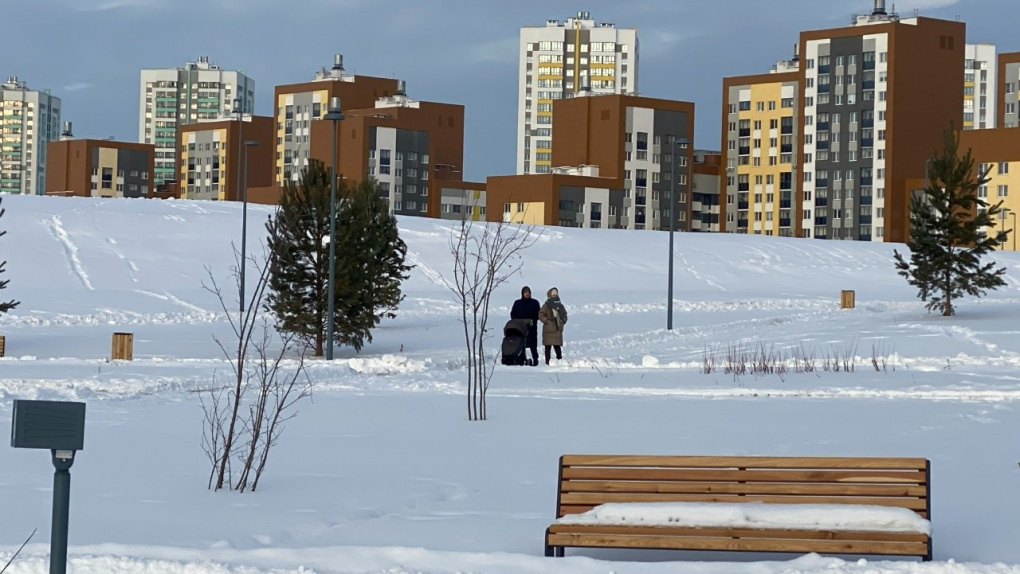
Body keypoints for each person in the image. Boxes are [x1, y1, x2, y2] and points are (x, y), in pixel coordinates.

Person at [510, 285, 540, 366]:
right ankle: (521, 359)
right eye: (525, 292)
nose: (527, 294)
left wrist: (531, 320)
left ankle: (535, 359)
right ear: (522, 293)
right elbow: (513, 314)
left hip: (531, 328)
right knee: (520, 343)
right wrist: (516, 322)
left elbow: (538, 314)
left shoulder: (535, 303)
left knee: (533, 344)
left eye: (528, 292)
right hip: (519, 328)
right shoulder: (517, 303)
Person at [538, 287, 568, 365]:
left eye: (556, 294)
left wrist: (562, 321)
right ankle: (547, 362)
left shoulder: (560, 305)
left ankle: (559, 361)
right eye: (553, 294)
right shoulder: (546, 305)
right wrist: (547, 321)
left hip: (557, 329)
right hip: (548, 330)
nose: (555, 296)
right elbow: (541, 314)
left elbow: (565, 315)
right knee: (548, 347)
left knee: (557, 347)